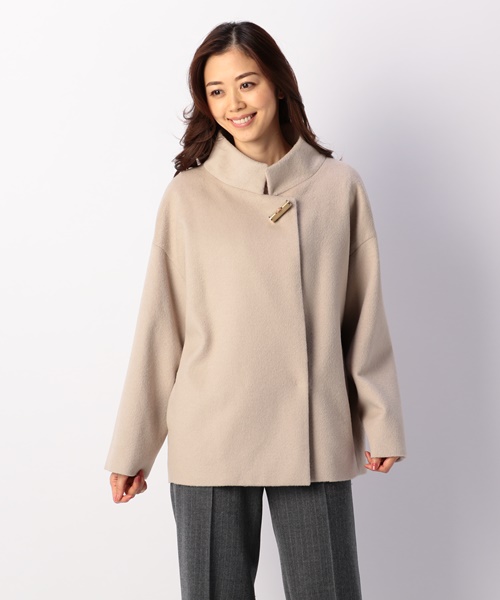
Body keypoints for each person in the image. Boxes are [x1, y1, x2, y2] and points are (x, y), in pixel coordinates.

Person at [104, 21, 407, 600]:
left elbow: (363, 317)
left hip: (312, 429)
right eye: (216, 91)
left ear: (278, 84)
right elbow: (159, 328)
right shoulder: (187, 196)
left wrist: (381, 417)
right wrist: (133, 447)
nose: (234, 104)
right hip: (210, 432)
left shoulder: (338, 187)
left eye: (247, 84)